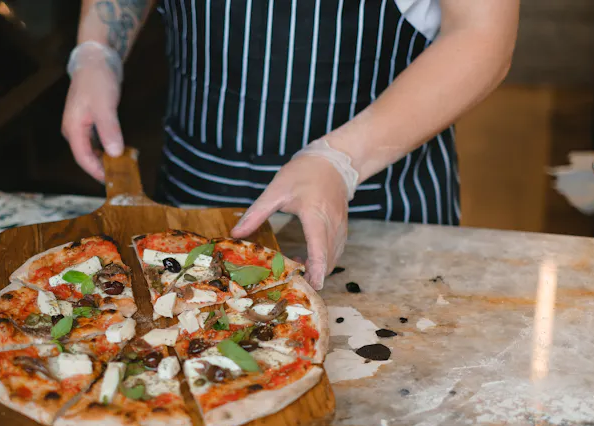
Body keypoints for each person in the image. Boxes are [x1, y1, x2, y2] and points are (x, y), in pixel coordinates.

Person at [62, 0, 519, 289]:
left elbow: (481, 32)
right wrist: (97, 51)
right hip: (193, 188)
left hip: (380, 207)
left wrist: (341, 160)